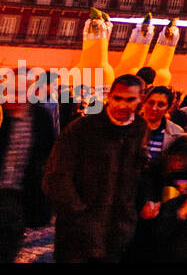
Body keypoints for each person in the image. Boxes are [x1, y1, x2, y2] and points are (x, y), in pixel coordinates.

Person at [42, 74, 149, 263]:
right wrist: (80, 217)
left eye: (130, 99)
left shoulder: (140, 129)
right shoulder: (82, 128)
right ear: (109, 97)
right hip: (78, 233)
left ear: (140, 99)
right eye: (118, 98)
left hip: (118, 232)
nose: (122, 105)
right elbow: (56, 178)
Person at [0, 74, 56, 262]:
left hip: (20, 193)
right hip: (5, 191)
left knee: (8, 242)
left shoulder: (40, 118)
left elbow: (49, 153)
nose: (13, 98)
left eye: (19, 93)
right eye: (10, 92)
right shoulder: (4, 117)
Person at [140, 87, 185, 165]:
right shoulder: (130, 126)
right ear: (144, 102)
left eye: (160, 104)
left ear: (168, 108)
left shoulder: (176, 133)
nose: (154, 108)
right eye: (151, 102)